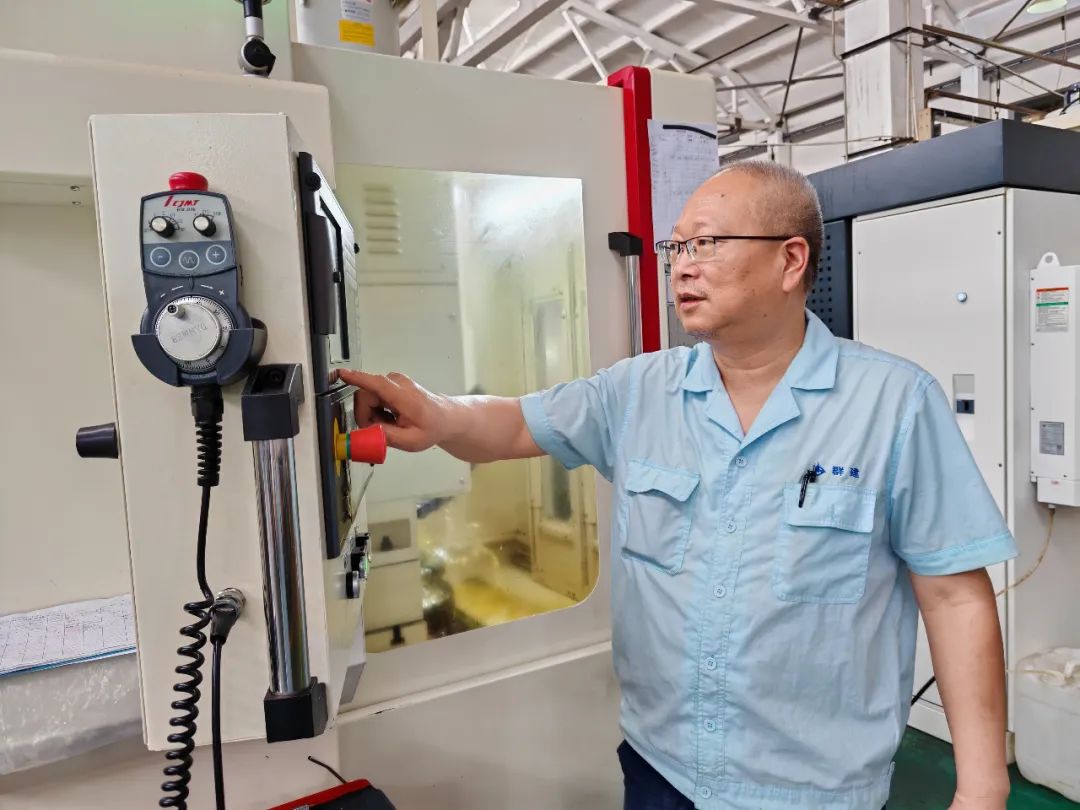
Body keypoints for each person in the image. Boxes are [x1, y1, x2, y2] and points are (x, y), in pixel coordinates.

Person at [339, 160, 1017, 810]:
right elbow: (516, 424)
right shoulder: (640, 391)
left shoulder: (893, 404)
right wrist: (438, 413)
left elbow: (955, 596)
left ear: (790, 261)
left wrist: (982, 790)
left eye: (708, 243)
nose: (682, 266)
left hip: (814, 790)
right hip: (663, 767)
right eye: (677, 246)